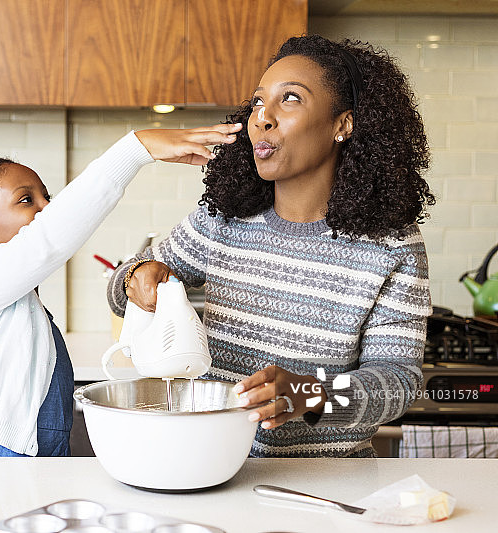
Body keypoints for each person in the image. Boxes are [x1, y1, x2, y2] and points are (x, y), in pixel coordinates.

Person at [107, 35, 436, 458]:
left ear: (343, 124)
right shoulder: (223, 219)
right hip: (213, 468)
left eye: (290, 99)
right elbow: (122, 290)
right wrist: (136, 277)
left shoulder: (392, 246)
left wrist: (308, 396)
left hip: (328, 482)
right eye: (259, 101)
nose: (263, 117)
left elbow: (399, 383)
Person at [0, 123, 242, 457]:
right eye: (26, 200)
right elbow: (49, 237)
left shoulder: (23, 307)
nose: (46, 208)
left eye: (47, 198)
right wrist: (135, 149)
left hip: (23, 461)